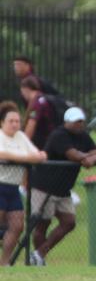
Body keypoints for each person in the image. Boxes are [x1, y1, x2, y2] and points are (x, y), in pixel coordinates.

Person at [28, 107, 96, 266]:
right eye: (76, 121)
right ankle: (39, 260)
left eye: (81, 121)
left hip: (62, 189)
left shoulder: (84, 136)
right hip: (44, 186)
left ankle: (38, 254)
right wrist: (89, 158)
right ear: (67, 122)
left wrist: (91, 158)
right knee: (43, 223)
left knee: (69, 222)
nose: (80, 124)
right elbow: (73, 155)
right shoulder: (59, 135)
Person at [0, 101, 46, 265]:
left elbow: (40, 155)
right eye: (11, 121)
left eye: (17, 121)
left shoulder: (21, 137)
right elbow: (2, 154)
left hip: (13, 188)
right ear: (2, 122)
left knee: (18, 226)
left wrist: (21, 157)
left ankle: (4, 263)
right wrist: (26, 158)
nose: (15, 124)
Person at [20, 77, 58, 150]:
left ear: (26, 89)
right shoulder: (44, 99)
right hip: (52, 141)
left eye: (22, 92)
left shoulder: (37, 104)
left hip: (44, 145)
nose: (22, 95)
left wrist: (22, 146)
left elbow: (31, 124)